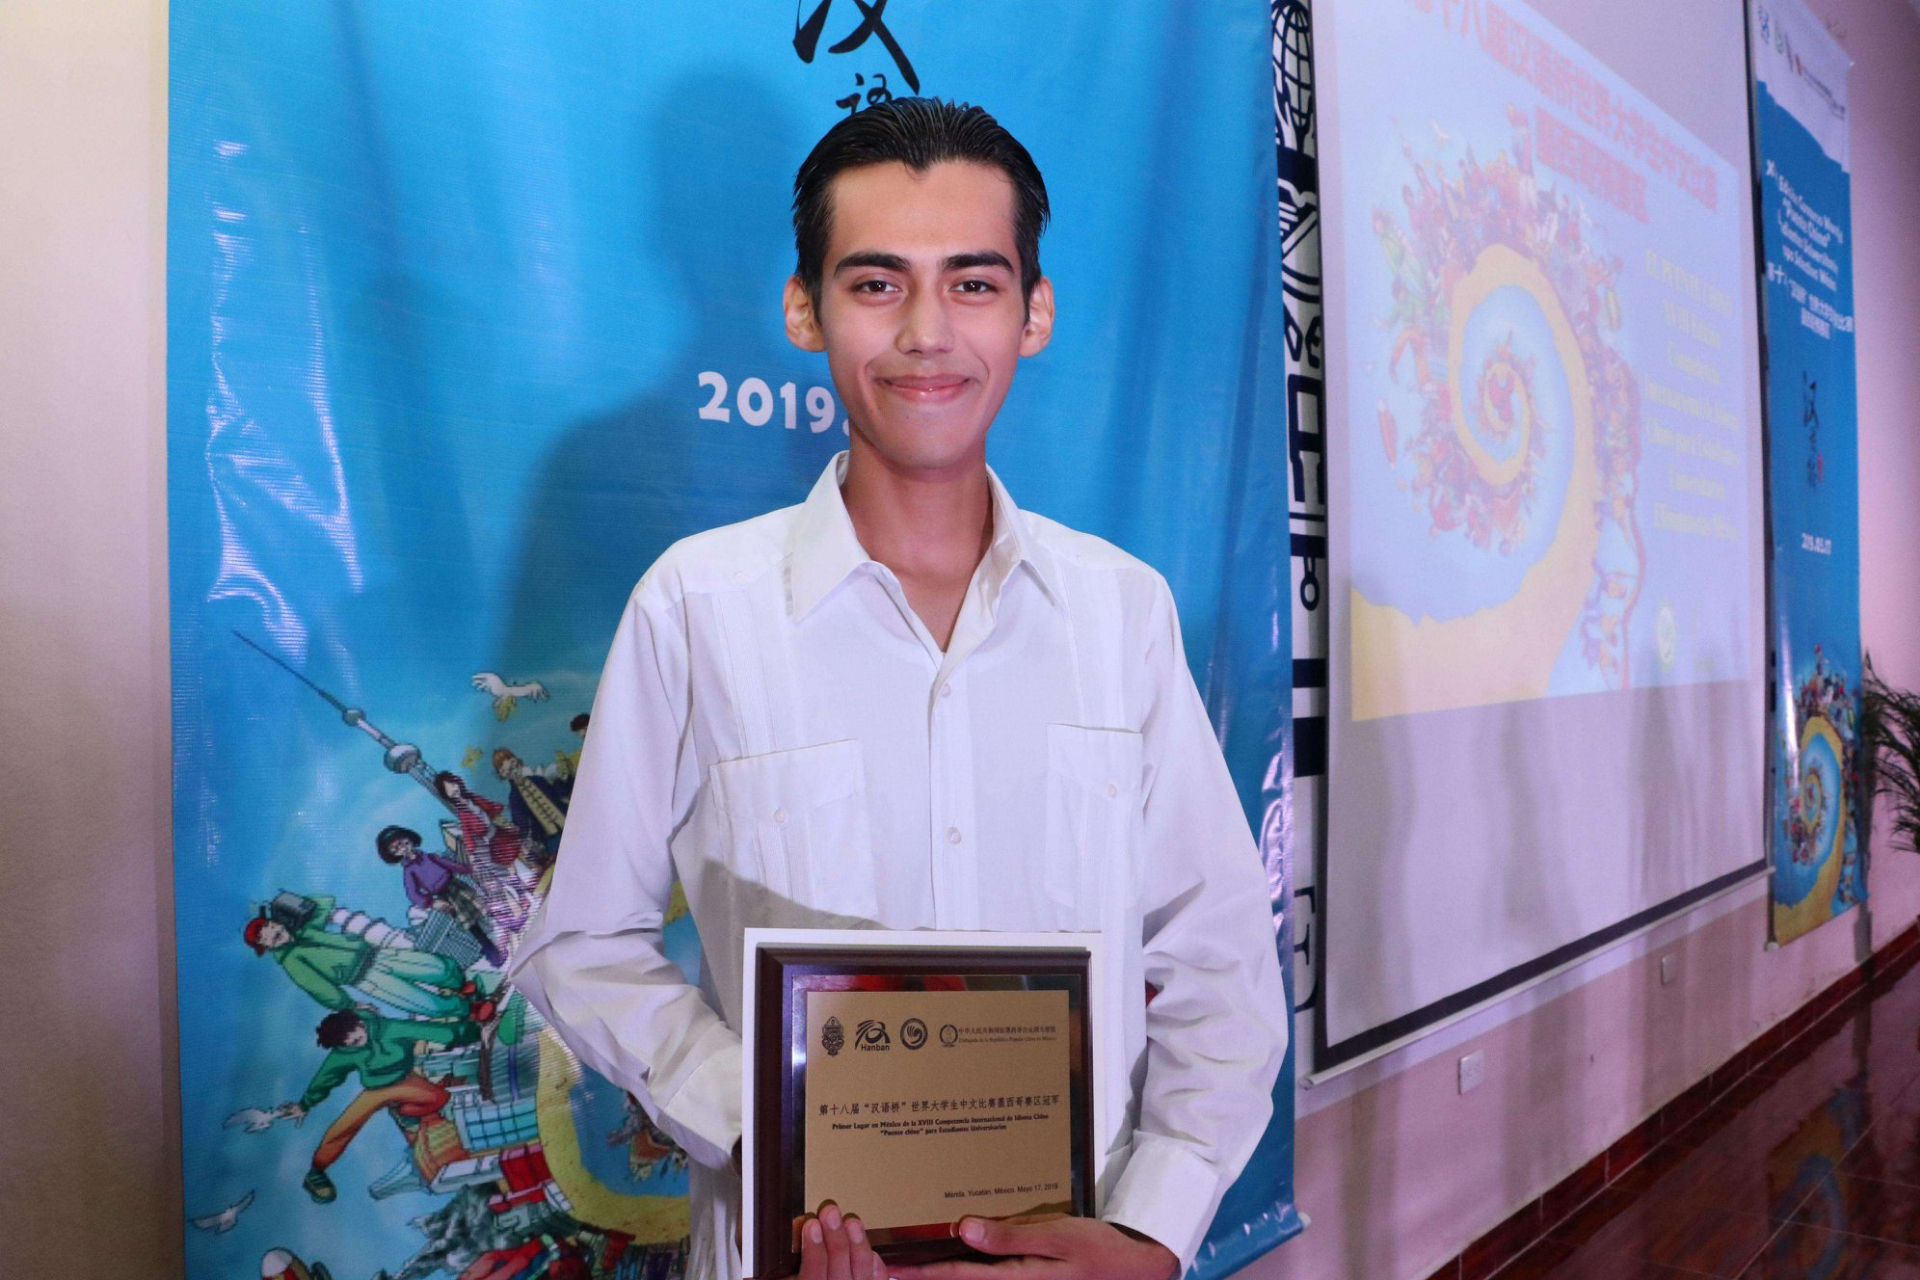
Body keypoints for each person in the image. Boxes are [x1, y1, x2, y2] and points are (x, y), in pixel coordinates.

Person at [507, 98, 1286, 1280]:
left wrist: (1153, 1229)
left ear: (1034, 313)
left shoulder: (1120, 610)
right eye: (877, 284)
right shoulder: (696, 607)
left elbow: (1218, 952)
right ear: (804, 309)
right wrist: (772, 1129)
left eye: (973, 283)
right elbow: (582, 944)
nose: (928, 332)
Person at [278, 1008, 480, 1204]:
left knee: (439, 1098)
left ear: (361, 1024)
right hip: (376, 1090)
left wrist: (475, 1031)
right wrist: (304, 1104)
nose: (354, 1046)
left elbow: (439, 1033)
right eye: (349, 1045)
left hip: (406, 1081)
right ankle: (316, 1171)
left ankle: (405, 1112)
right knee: (348, 1122)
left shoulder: (389, 1028)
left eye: (356, 1040)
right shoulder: (344, 1051)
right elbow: (326, 1077)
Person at [242, 894, 489, 1021]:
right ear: (266, 947)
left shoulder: (303, 928)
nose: (273, 933)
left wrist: (288, 903)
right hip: (366, 978)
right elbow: (318, 987)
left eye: (271, 926)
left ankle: (464, 987)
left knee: (437, 968)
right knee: (423, 1003)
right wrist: (348, 1005)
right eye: (265, 937)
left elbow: (324, 905)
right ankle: (470, 1009)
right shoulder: (291, 961)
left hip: (376, 953)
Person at [376, 824, 505, 966]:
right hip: (446, 897)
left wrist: (469, 868)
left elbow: (449, 864)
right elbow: (413, 894)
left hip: (457, 886)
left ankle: (504, 930)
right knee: (472, 926)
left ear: (409, 838)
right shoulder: (409, 871)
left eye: (402, 842)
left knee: (483, 907)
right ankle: (493, 954)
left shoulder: (429, 857)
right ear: (392, 854)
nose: (402, 847)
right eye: (395, 848)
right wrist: (432, 903)